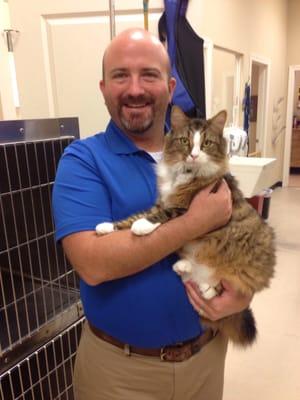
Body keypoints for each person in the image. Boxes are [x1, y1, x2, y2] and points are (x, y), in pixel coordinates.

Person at [52, 28, 252, 400]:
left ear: (170, 85)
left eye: (149, 74)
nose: (135, 89)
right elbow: (92, 263)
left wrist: (243, 294)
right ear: (103, 87)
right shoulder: (82, 161)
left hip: (206, 357)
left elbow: (236, 235)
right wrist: (192, 223)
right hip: (120, 374)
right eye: (120, 75)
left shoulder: (203, 156)